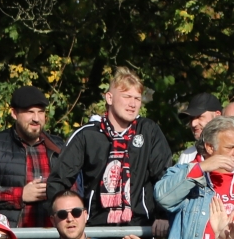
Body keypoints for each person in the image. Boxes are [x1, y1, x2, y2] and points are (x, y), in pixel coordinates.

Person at [48, 67, 174, 227]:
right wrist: (66, 219)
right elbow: (58, 181)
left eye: (137, 98)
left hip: (140, 228)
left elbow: (164, 177)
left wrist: (162, 215)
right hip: (96, 228)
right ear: (109, 98)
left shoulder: (148, 131)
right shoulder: (87, 135)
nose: (132, 104)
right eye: (127, 96)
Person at [0, 85, 63, 228]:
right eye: (30, 112)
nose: (36, 118)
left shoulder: (58, 146)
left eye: (41, 112)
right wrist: (20, 195)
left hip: (53, 236)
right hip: (10, 237)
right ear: (14, 113)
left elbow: (74, 191)